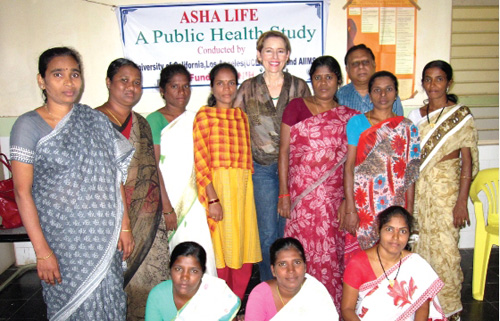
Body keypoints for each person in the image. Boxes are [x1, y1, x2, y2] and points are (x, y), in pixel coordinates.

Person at [10, 47, 134, 320]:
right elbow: (22, 192)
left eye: (74, 74)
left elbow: (114, 178)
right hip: (63, 243)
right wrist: (42, 252)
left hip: (104, 238)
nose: (68, 82)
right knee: (72, 306)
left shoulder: (95, 121)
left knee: (110, 301)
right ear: (41, 80)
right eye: (58, 74)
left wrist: (124, 226)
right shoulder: (27, 125)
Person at [278, 55, 358, 311]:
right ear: (311, 80)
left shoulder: (350, 117)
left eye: (329, 77)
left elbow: (351, 165)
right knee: (302, 254)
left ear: (338, 80)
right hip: (302, 198)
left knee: (332, 256)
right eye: (317, 78)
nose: (323, 83)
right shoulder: (296, 107)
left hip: (334, 200)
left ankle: (331, 310)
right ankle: (300, 310)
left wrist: (348, 202)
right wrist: (283, 193)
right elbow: (284, 151)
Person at [234, 31, 311, 281]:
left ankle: (293, 286)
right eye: (268, 50)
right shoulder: (247, 88)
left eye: (280, 51)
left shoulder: (300, 87)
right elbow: (234, 126)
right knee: (267, 234)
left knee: (291, 231)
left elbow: (312, 128)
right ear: (259, 55)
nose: (274, 56)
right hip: (263, 170)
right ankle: (271, 288)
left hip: (295, 170)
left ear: (288, 55)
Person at [95, 58, 168, 320]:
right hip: (109, 221)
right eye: (124, 80)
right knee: (112, 284)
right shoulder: (94, 122)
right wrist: (123, 225)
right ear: (108, 83)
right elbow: (99, 178)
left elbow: (152, 173)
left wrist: (165, 210)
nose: (131, 87)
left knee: (150, 279)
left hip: (148, 221)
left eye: (137, 83)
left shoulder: (142, 123)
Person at [408, 60, 479, 320]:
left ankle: (449, 310)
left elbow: (467, 164)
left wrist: (462, 203)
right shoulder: (416, 116)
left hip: (446, 195)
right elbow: (412, 160)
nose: (432, 85)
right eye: (427, 79)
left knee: (447, 252)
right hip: (419, 195)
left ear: (449, 83)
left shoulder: (461, 116)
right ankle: (422, 307)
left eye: (439, 79)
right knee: (419, 250)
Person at [193, 63, 262, 299]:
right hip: (218, 189)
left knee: (242, 245)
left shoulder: (241, 117)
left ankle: (236, 301)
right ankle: (220, 304)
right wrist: (213, 198)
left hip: (242, 190)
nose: (226, 88)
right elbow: (201, 161)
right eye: (220, 83)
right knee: (220, 248)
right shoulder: (204, 115)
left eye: (231, 82)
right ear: (211, 87)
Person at [341, 71, 420, 263]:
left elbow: (410, 175)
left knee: (392, 258)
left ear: (396, 94)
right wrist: (351, 208)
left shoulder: (408, 128)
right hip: (363, 205)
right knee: (362, 261)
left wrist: (408, 214)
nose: (383, 95)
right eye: (377, 90)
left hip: (394, 205)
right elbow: (349, 167)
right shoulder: (357, 123)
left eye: (388, 89)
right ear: (369, 94)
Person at [146, 64, 217, 277]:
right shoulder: (154, 120)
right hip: (170, 202)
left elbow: (205, 162)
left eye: (186, 86)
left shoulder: (197, 119)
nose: (182, 92)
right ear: (162, 90)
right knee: (177, 255)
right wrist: (167, 208)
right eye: (175, 86)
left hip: (197, 202)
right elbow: (154, 166)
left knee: (202, 250)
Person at [341, 206, 446, 321]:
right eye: (389, 229)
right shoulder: (358, 263)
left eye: (402, 231)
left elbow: (422, 305)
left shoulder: (415, 263)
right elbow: (347, 309)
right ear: (378, 230)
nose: (396, 237)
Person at [245, 237, 338, 320]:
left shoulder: (315, 292)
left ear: (305, 267)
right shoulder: (260, 295)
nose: (291, 270)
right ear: (273, 270)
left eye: (297, 262)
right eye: (283, 264)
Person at [145, 241, 240, 320]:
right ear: (170, 268)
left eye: (194, 271)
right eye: (178, 269)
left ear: (202, 272)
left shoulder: (217, 294)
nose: (185, 277)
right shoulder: (158, 295)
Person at [336, 44, 403, 116]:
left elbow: (399, 123)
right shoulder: (339, 96)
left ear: (374, 64)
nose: (361, 66)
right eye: (355, 63)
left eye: (365, 62)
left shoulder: (389, 95)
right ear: (347, 69)